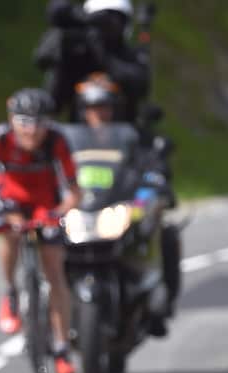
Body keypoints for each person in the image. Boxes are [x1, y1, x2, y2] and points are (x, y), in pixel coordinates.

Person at [0, 87, 79, 373]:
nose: (32, 130)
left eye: (39, 123)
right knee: (11, 233)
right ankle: (11, 291)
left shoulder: (57, 141)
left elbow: (74, 191)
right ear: (12, 119)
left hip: (46, 204)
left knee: (55, 272)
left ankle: (62, 347)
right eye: (24, 122)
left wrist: (61, 212)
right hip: (10, 202)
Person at [74, 75, 179, 335]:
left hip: (120, 209)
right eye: (92, 107)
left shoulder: (133, 136)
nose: (98, 113)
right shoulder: (67, 142)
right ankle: (38, 305)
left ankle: (159, 302)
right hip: (83, 212)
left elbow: (153, 166)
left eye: (103, 106)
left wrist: (151, 189)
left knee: (165, 232)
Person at [34, 0, 149, 123]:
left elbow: (140, 84)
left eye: (115, 20)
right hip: (77, 134)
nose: (107, 27)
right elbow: (42, 59)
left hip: (121, 134)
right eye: (102, 20)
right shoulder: (77, 50)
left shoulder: (129, 57)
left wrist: (103, 56)